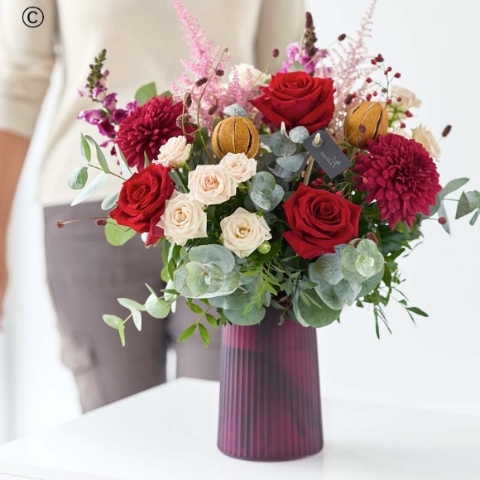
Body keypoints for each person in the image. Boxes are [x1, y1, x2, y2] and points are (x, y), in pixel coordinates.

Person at [0, 0, 305, 412]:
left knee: (224, 422)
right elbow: (17, 82)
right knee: (117, 439)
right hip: (94, 216)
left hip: (232, 213)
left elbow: (288, 75)